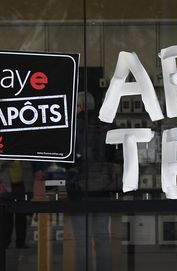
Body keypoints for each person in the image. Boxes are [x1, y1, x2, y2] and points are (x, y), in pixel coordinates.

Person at [66, 91, 119, 271]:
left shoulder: (72, 127)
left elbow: (65, 160)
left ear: (79, 107)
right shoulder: (107, 125)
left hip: (78, 190)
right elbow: (118, 156)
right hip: (104, 188)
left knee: (82, 240)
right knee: (103, 236)